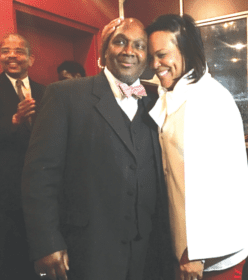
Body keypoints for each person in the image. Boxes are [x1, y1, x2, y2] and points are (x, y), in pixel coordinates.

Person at [22, 18, 172, 280]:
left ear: (147, 57)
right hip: (88, 250)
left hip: (146, 250)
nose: (129, 51)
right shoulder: (64, 95)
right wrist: (47, 242)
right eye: (120, 42)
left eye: (139, 45)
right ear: (104, 51)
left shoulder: (156, 103)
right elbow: (39, 176)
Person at [144, 14, 248, 280]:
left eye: (162, 55)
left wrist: (195, 253)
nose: (155, 64)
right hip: (193, 245)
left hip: (211, 249)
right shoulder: (179, 92)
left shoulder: (207, 99)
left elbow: (214, 183)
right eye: (151, 56)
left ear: (186, 50)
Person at [0, 33, 45, 280]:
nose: (11, 56)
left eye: (18, 51)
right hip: (6, 191)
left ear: (31, 58)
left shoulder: (46, 91)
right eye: (6, 50)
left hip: (39, 190)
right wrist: (14, 121)